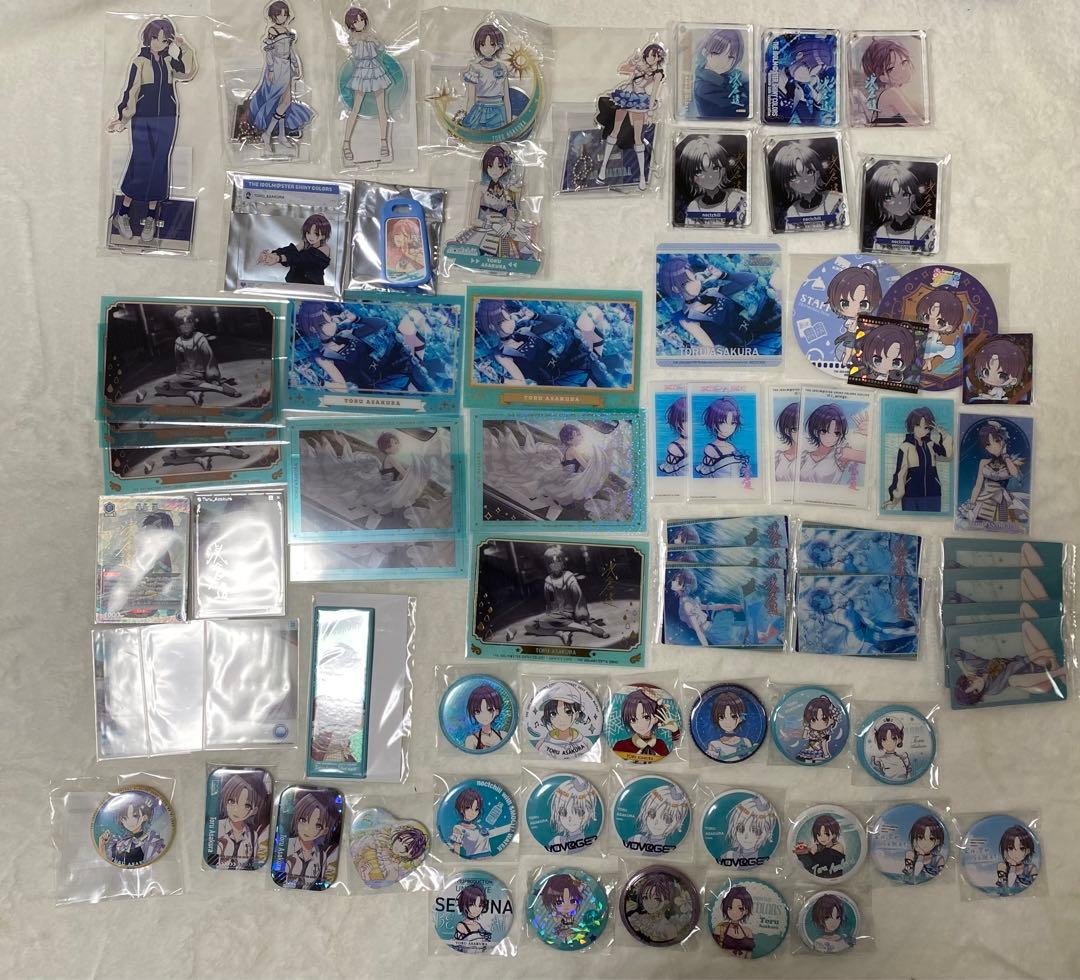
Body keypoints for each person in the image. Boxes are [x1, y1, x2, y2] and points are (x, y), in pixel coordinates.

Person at [107, 18, 197, 244]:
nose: (160, 43)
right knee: (141, 161)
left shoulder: (168, 60)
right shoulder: (139, 62)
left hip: (167, 117)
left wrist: (184, 47)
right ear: (149, 38)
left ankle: (150, 217)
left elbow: (187, 71)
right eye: (156, 38)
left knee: (159, 163)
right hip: (143, 118)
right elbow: (131, 91)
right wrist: (122, 118)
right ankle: (122, 214)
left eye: (164, 40)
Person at [133, 306, 242, 407]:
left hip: (203, 374)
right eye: (182, 324)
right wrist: (181, 376)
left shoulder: (199, 337)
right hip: (187, 376)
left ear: (193, 323)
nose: (186, 326)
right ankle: (191, 393)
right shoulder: (178, 341)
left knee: (186, 382)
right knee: (159, 388)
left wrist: (212, 376)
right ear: (178, 326)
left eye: (188, 322)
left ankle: (218, 388)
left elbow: (209, 357)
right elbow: (180, 364)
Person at [247, 1, 314, 154]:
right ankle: (268, 133)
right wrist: (271, 69)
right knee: (282, 101)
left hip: (286, 67)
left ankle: (282, 135)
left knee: (285, 102)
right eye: (279, 14)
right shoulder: (272, 30)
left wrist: (295, 64)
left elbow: (291, 51)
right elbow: (269, 51)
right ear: (273, 16)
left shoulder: (287, 30)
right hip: (277, 67)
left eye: (284, 14)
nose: (282, 17)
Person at [597, 44, 666, 190]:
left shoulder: (657, 73)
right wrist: (632, 62)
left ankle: (642, 176)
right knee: (615, 131)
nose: (653, 58)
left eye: (656, 56)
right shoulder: (640, 65)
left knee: (637, 137)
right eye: (651, 55)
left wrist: (650, 109)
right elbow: (623, 70)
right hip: (626, 96)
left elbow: (654, 92)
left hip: (639, 101)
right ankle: (602, 170)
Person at [521, 546, 610, 646]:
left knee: (543, 622)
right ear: (548, 565)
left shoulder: (568, 576)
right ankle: (561, 633)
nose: (555, 565)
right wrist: (551, 615)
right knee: (529, 626)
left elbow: (578, 597)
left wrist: (582, 618)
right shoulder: (548, 580)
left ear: (562, 562)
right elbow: (550, 601)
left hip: (570, 613)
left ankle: (587, 629)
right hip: (556, 615)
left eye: (558, 561)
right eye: (552, 562)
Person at [341, 6, 394, 162]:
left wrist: (374, 41)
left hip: (375, 70)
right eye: (356, 21)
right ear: (351, 24)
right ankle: (346, 143)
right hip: (362, 71)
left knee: (382, 108)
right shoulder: (353, 39)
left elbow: (381, 48)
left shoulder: (370, 35)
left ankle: (384, 142)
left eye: (361, 20)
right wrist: (362, 41)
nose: (360, 23)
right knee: (355, 109)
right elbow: (357, 54)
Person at [959, 420, 1026, 526]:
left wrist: (1005, 455)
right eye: (987, 444)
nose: (991, 447)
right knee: (979, 527)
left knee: (1002, 528)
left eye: (996, 441)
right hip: (983, 501)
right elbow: (978, 485)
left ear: (1003, 441)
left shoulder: (1010, 463)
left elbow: (1015, 474)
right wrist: (972, 503)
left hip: (1001, 503)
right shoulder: (984, 462)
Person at [886, 407, 952, 511]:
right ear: (911, 425)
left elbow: (947, 456)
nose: (921, 430)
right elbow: (900, 474)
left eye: (926, 427)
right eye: (917, 426)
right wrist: (894, 498)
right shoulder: (905, 446)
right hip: (911, 496)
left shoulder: (930, 444)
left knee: (934, 521)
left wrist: (944, 435)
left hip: (933, 494)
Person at [771, 141, 845, 230]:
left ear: (818, 173)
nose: (805, 180)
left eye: (810, 172)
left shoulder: (835, 200)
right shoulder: (792, 211)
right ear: (787, 184)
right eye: (794, 177)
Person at [674, 135, 746, 226]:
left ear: (723, 170)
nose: (710, 176)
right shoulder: (694, 207)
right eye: (700, 171)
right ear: (692, 178)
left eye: (715, 168)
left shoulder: (738, 198)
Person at [864, 161, 935, 253]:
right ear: (881, 203)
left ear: (913, 197)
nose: (899, 202)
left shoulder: (927, 226)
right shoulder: (881, 232)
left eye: (905, 195)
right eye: (889, 197)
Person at [826, 265, 883, 366]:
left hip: (860, 340)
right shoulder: (854, 321)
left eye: (863, 304)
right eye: (845, 303)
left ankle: (846, 361)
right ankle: (845, 362)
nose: (854, 309)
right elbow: (849, 327)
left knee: (853, 351)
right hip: (852, 338)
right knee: (848, 351)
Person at [798, 403, 866, 485]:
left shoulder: (839, 454)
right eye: (824, 431)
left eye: (836, 433)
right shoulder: (804, 457)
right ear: (816, 432)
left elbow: (869, 458)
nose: (830, 437)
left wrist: (869, 434)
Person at [283, 790, 338, 889]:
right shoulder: (286, 846)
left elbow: (321, 882)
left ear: (325, 831)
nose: (307, 829)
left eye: (318, 825)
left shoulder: (322, 856)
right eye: (303, 820)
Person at [214, 772, 269, 870]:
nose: (236, 809)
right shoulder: (217, 827)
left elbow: (254, 863)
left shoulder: (253, 835)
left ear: (254, 811)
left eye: (246, 805)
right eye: (231, 801)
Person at [258, 214, 332, 285]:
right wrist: (271, 255)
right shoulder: (305, 244)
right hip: (294, 284)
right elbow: (290, 250)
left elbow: (302, 258)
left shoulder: (324, 249)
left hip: (312, 286)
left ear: (323, 235)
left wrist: (279, 258)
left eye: (316, 234)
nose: (310, 236)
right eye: (308, 232)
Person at [611, 686, 681, 762]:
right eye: (633, 719)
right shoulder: (621, 746)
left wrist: (675, 731)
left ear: (656, 718)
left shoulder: (661, 745)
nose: (640, 724)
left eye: (646, 717)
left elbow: (675, 755)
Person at [97, 790, 166, 866]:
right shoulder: (118, 844)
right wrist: (102, 844)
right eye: (124, 818)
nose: (129, 821)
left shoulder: (152, 841)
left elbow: (156, 865)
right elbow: (107, 864)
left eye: (135, 815)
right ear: (121, 820)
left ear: (144, 817)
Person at [860, 37, 920, 124]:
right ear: (881, 77)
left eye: (904, 62)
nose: (902, 69)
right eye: (891, 68)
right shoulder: (891, 94)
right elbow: (918, 124)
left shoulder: (890, 93)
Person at [692, 29, 747, 118]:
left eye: (731, 57)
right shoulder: (704, 87)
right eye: (717, 53)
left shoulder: (724, 75)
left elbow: (747, 81)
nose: (723, 62)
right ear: (705, 52)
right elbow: (740, 109)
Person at [793, 814, 846, 878]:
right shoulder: (820, 847)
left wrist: (807, 852)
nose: (822, 838)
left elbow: (813, 864)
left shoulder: (838, 847)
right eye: (819, 834)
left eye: (826, 834)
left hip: (833, 879)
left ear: (834, 834)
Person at [713, 885, 755, 958]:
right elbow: (715, 951)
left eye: (740, 908)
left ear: (746, 911)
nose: (734, 912)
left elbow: (749, 955)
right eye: (730, 907)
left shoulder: (748, 932)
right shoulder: (720, 928)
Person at [463, 683, 507, 751]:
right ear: (473, 713)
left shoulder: (504, 735)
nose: (484, 716)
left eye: (490, 710)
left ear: (497, 711)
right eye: (477, 711)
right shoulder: (471, 740)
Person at [903, 814, 946, 881]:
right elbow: (912, 876)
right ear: (914, 839)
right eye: (920, 837)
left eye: (931, 838)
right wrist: (920, 856)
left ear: (937, 841)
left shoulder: (938, 860)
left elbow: (941, 878)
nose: (925, 843)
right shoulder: (910, 855)